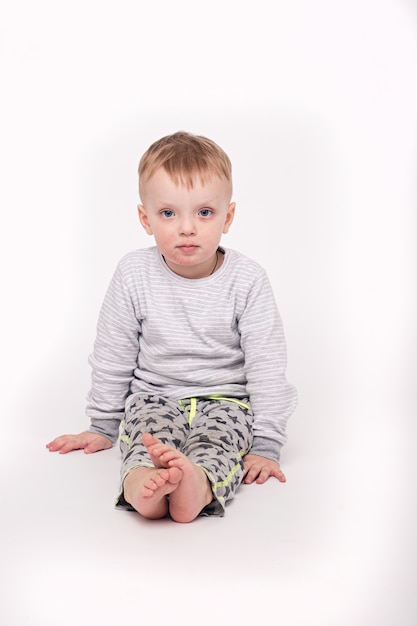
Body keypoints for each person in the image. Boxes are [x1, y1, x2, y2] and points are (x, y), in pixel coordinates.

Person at [47, 131, 297, 523]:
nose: (187, 228)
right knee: (146, 443)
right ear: (145, 219)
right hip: (154, 398)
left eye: (204, 213)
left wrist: (266, 442)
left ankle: (194, 484)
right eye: (168, 213)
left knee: (219, 443)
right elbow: (114, 353)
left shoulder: (247, 280)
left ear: (227, 217)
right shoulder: (133, 274)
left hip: (226, 402)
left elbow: (266, 364)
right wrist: (102, 424)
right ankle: (144, 484)